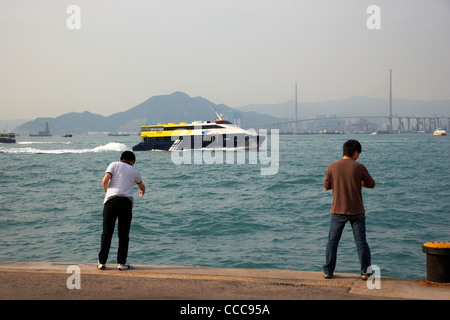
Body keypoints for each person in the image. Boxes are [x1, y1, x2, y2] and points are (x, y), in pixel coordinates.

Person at [322, 139, 375, 280]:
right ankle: (366, 272)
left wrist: (339, 184)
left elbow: (326, 186)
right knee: (361, 242)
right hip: (357, 210)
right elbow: (371, 184)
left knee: (332, 242)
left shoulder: (332, 167)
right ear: (355, 153)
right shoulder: (359, 167)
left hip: (337, 210)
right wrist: (358, 182)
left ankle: (328, 271)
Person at [97, 150, 145, 270]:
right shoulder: (135, 171)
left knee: (107, 233)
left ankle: (102, 262)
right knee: (123, 234)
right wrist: (142, 192)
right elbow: (142, 186)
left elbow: (105, 180)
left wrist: (107, 190)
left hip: (111, 202)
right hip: (126, 203)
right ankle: (122, 263)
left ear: (120, 159)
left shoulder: (113, 165)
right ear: (132, 161)